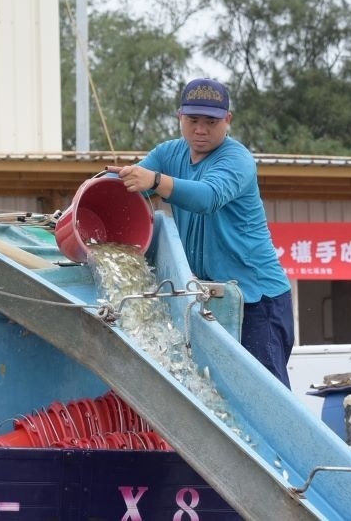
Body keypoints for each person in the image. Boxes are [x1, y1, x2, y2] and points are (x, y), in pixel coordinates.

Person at [107, 78, 295, 387]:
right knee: (218, 393)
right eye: (193, 120)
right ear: (179, 117)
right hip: (206, 298)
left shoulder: (237, 159)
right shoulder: (169, 153)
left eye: (211, 121)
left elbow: (207, 197)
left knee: (266, 396)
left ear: (228, 121)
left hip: (257, 301)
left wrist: (153, 181)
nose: (200, 129)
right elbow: (128, 193)